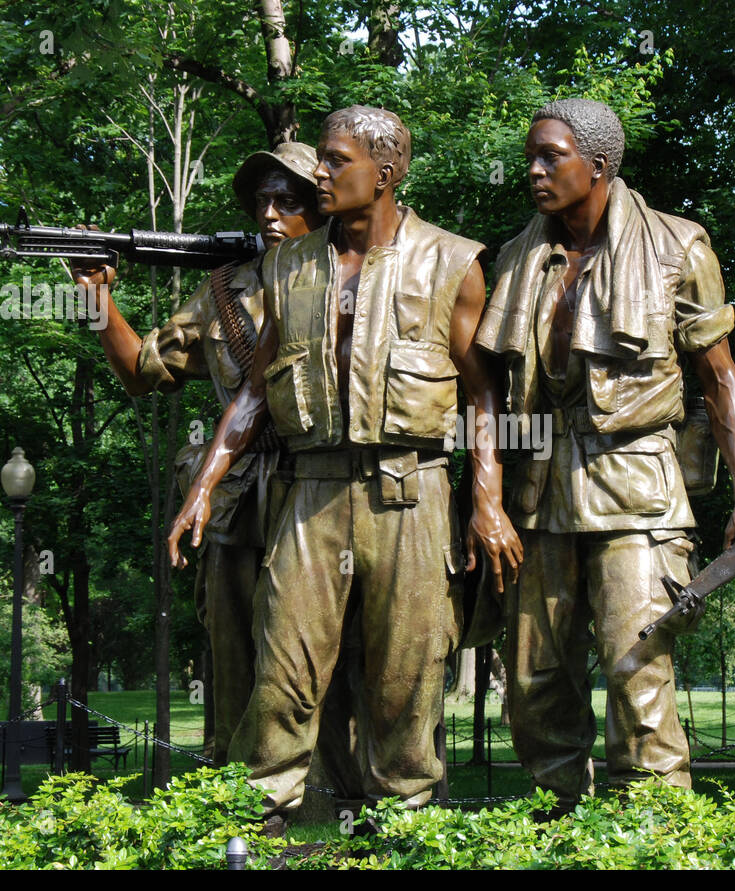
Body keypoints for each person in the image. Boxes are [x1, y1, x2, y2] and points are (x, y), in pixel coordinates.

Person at [168, 106, 522, 820]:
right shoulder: (287, 266)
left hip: (411, 494)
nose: (319, 174)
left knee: (407, 687)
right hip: (311, 495)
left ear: (385, 171)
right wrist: (202, 487)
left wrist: (486, 504)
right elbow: (253, 394)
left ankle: (409, 837)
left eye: (334, 161)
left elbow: (484, 397)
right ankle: (257, 845)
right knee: (282, 682)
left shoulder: (453, 262)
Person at [475, 98, 735, 808]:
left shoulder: (678, 247)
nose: (534, 169)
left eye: (551, 156)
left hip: (638, 489)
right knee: (532, 684)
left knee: (636, 673)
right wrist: (485, 498)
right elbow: (488, 389)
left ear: (599, 165)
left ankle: (652, 834)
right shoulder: (522, 256)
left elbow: (720, 379)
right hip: (541, 493)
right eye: (532, 154)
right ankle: (558, 826)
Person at [71, 143, 323, 765]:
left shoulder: (350, 278)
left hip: (320, 489)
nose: (269, 213)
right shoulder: (221, 291)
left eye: (287, 201)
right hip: (237, 498)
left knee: (319, 649)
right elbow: (141, 371)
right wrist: (96, 299)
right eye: (261, 200)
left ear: (319, 207)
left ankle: (330, 795)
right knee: (234, 653)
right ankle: (238, 793)